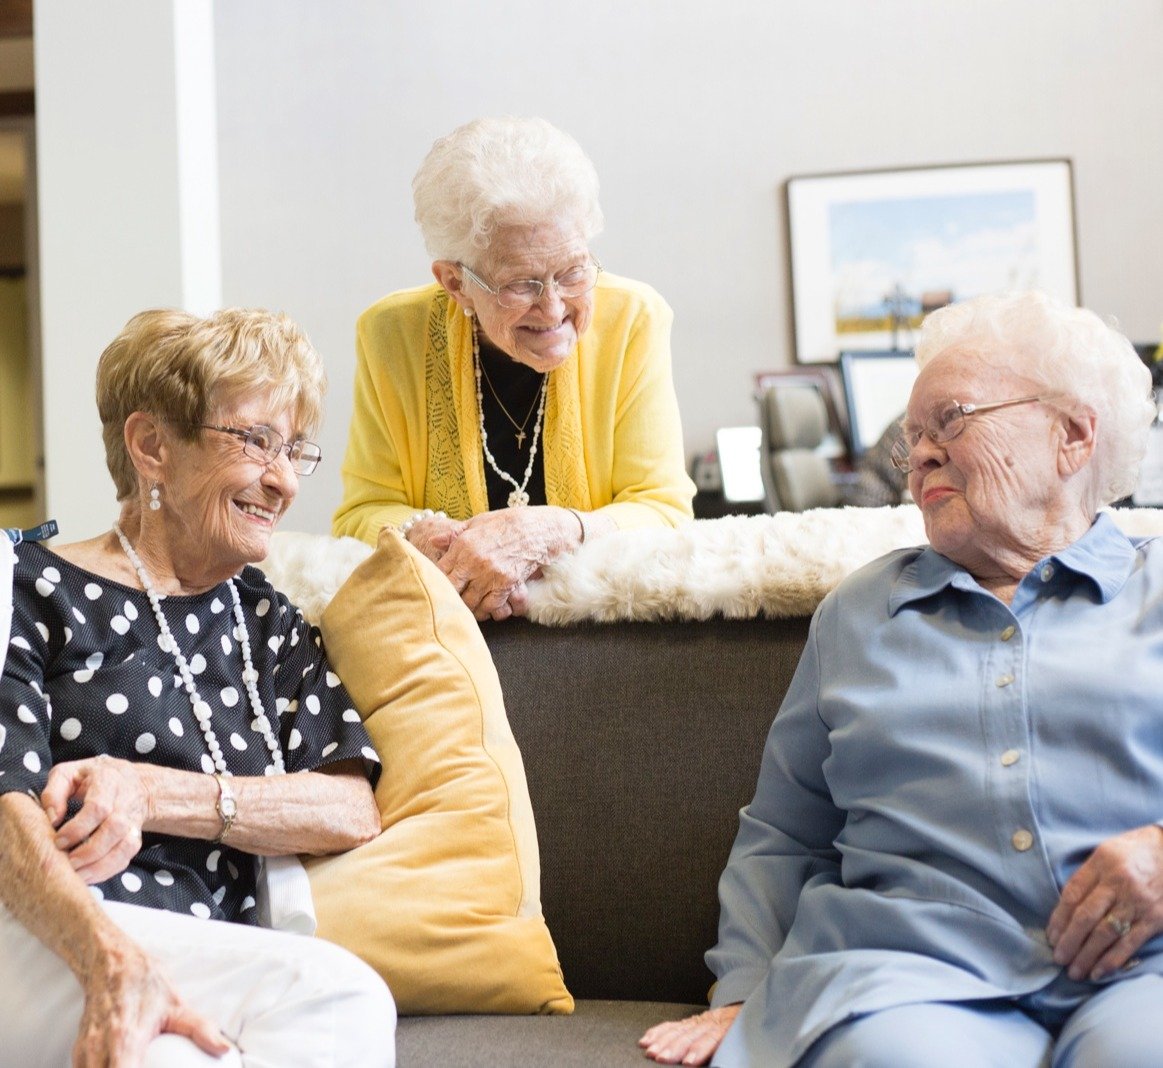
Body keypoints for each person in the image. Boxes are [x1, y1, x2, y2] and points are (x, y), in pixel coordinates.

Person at [641, 290, 1163, 1067]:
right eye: (910, 438)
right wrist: (746, 989)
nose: (918, 454)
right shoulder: (858, 613)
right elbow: (786, 835)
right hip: (911, 975)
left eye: (949, 420)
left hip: (1142, 967)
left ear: (1072, 434)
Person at [0, 308, 396, 1067]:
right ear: (152, 446)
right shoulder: (27, 584)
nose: (282, 480)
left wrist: (150, 791)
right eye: (254, 441)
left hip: (209, 951)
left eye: (293, 450)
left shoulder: (265, 620)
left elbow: (349, 805)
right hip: (42, 936)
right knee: (341, 997)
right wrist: (111, 963)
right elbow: (3, 803)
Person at [332, 116, 695, 621]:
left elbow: (664, 511)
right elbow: (362, 513)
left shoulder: (633, 319)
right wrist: (425, 534)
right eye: (520, 285)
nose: (553, 309)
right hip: (445, 637)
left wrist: (558, 530)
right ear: (455, 283)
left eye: (572, 272)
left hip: (601, 639)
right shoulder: (391, 335)